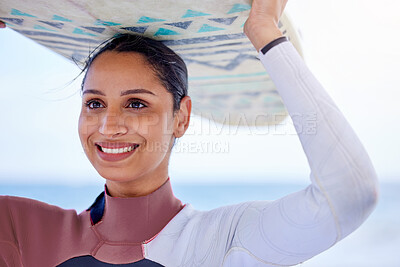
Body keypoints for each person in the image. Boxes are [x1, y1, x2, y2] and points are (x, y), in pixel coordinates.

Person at [0, 0, 378, 266]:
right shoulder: (21, 230)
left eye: (136, 103)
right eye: (94, 103)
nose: (108, 126)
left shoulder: (224, 242)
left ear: (182, 117)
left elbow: (349, 194)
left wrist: (264, 31)